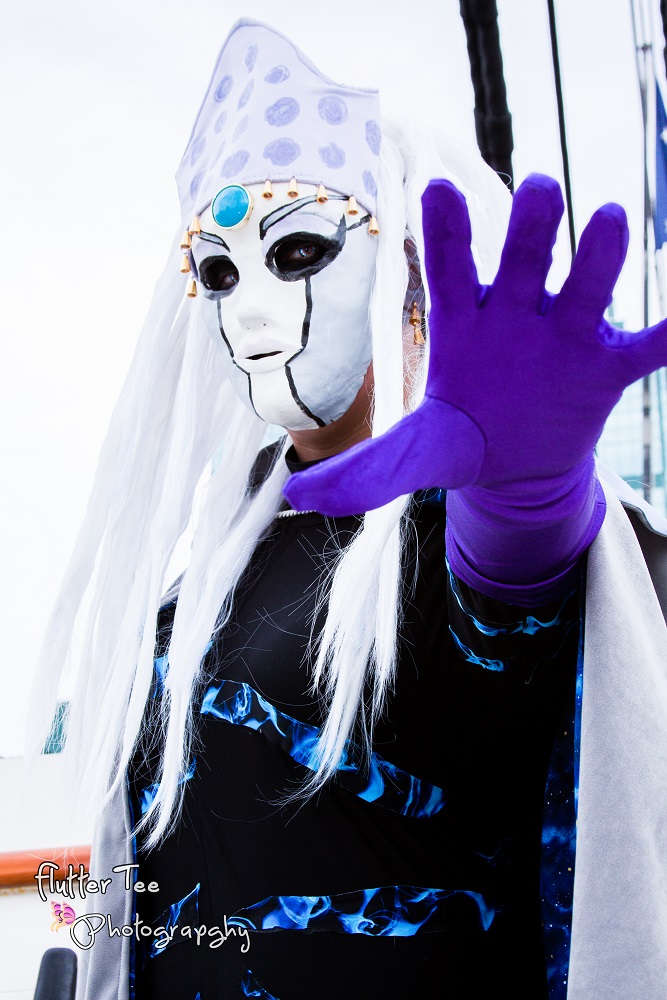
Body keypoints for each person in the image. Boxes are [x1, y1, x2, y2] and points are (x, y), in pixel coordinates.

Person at [32, 18, 667, 1000]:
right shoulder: (207, 576)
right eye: (218, 270)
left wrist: (520, 502)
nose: (247, 307)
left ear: (411, 286)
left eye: (297, 252)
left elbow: (506, 624)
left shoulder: (455, 531)